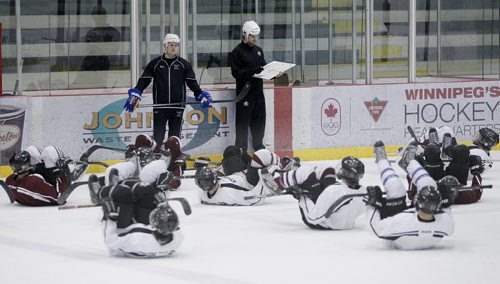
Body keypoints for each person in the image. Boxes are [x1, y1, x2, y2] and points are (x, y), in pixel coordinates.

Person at [124, 33, 213, 146]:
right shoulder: (155, 63)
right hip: (160, 107)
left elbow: (192, 83)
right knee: (158, 138)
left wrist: (200, 94)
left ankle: (172, 160)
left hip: (177, 106)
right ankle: (156, 159)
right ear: (165, 46)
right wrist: (137, 92)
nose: (174, 47)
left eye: (176, 45)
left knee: (174, 139)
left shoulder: (184, 64)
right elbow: (144, 80)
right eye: (171, 44)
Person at [365, 140, 455, 250]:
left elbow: (375, 228)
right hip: (412, 221)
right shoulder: (444, 223)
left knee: (395, 187)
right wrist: (446, 203)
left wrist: (373, 205)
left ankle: (381, 160)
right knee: (429, 184)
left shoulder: (401, 222)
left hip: (397, 230)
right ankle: (409, 161)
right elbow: (447, 216)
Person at [93, 176, 187, 258]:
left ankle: (98, 193)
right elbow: (170, 221)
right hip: (144, 235)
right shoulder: (177, 237)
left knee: (124, 194)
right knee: (146, 189)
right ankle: (117, 184)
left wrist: (111, 217)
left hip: (123, 234)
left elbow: (111, 241)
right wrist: (162, 204)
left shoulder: (138, 237)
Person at [274, 157, 368, 230]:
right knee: (327, 169)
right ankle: (294, 174)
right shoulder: (364, 192)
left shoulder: (333, 190)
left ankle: (275, 184)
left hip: (320, 223)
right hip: (342, 223)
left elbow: (313, 218)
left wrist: (303, 194)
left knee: (306, 173)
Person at [195, 147, 281, 206]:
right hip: (250, 182)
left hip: (236, 174)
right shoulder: (229, 194)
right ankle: (282, 164)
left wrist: (205, 169)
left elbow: (204, 180)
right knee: (261, 155)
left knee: (231, 150)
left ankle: (251, 163)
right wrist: (264, 176)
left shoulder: (204, 192)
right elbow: (256, 199)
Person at [230, 20, 268, 151]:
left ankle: (259, 149)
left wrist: (274, 73)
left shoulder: (259, 51)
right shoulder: (237, 52)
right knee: (242, 125)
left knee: (259, 123)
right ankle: (241, 151)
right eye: (252, 36)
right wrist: (253, 71)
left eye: (256, 36)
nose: (255, 39)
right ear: (245, 35)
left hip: (258, 94)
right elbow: (236, 73)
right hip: (244, 95)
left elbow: (264, 68)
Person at [3, 146, 71, 206]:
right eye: (29, 162)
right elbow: (57, 197)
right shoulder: (34, 181)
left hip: (31, 188)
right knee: (50, 151)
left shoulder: (9, 180)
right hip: (57, 188)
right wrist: (62, 172)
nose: (31, 163)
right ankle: (70, 169)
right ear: (24, 167)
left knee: (31, 149)